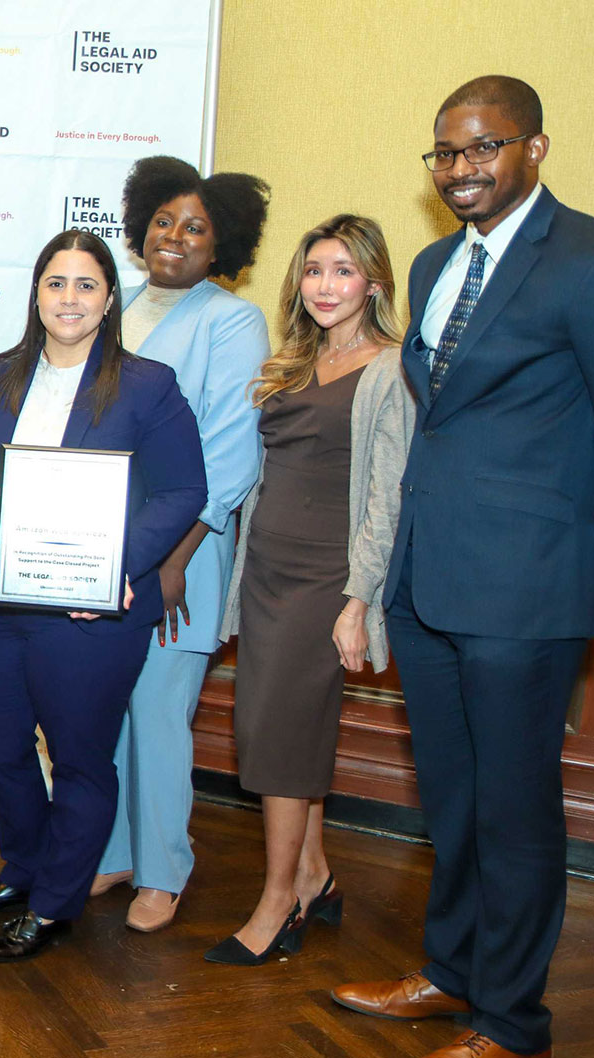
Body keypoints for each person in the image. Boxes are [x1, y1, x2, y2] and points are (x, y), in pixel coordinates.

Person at [330, 76, 594, 1058]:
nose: (462, 170)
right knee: (454, 802)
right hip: (429, 582)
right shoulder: (429, 261)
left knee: (513, 813)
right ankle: (453, 972)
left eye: (484, 149)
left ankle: (515, 1025)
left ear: (534, 149)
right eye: (446, 153)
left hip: (528, 593)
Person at [0, 230, 206, 962]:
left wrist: (123, 564)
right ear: (35, 294)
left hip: (91, 611)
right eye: (56, 283)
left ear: (109, 299)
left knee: (81, 757)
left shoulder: (147, 384)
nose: (69, 299)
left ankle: (55, 901)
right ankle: (26, 866)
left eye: (86, 285)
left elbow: (186, 490)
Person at [210, 215, 414, 966]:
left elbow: (387, 498)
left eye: (343, 271)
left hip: (329, 581)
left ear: (374, 282)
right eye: (314, 269)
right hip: (265, 569)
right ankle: (317, 875)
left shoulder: (392, 370)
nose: (325, 286)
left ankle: (279, 900)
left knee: (274, 735)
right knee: (283, 729)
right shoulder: (290, 363)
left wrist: (359, 599)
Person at [87, 156, 270, 933]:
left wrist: (172, 559)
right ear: (139, 228)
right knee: (106, 710)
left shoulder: (231, 321)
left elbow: (231, 454)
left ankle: (164, 868)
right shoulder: (110, 308)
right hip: (98, 549)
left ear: (220, 242)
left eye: (196, 226)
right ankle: (117, 852)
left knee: (160, 710)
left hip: (180, 556)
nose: (175, 236)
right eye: (163, 220)